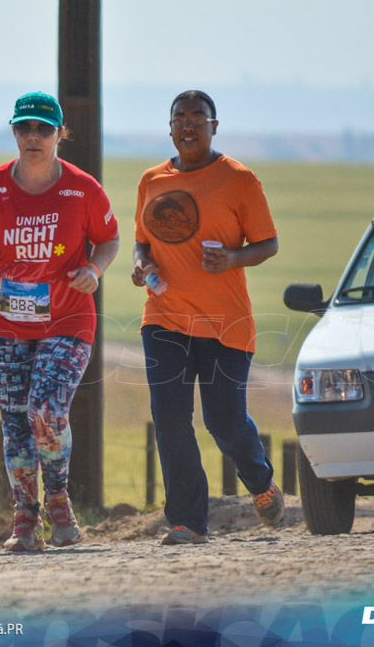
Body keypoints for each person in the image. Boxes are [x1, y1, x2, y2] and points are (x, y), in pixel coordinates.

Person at [0, 91, 120, 551]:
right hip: (7, 321)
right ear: (13, 132)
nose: (34, 137)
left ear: (59, 135)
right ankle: (25, 520)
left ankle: (59, 499)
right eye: (25, 128)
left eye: (43, 129)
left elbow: (108, 240)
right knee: (15, 424)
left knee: (46, 413)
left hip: (68, 317)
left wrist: (94, 269)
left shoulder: (82, 188)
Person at [131, 90, 284, 545]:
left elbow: (268, 244)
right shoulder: (151, 179)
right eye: (180, 117)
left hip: (225, 323)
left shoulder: (239, 179)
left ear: (214, 126)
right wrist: (143, 264)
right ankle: (187, 521)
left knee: (224, 422)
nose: (189, 125)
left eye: (199, 117)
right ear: (171, 127)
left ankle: (259, 481)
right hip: (164, 318)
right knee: (171, 418)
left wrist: (233, 257)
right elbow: (142, 238)